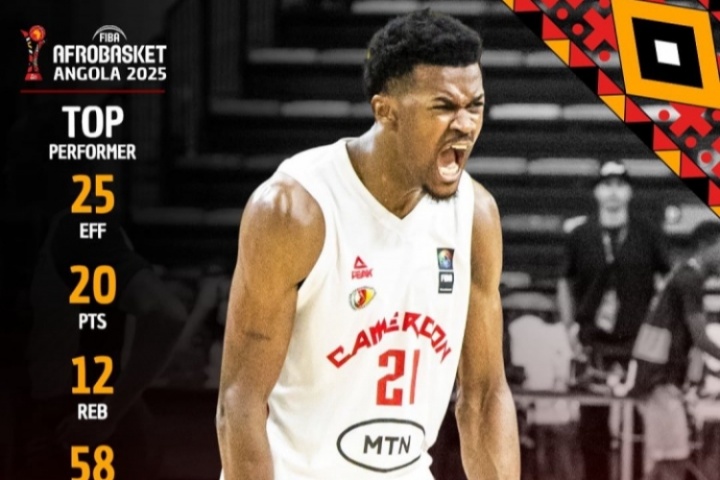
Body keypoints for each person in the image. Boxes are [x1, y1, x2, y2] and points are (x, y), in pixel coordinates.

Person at [216, 9, 520, 480]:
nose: (465, 124)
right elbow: (240, 402)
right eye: (443, 106)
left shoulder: (474, 216)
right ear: (385, 111)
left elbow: (483, 396)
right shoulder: (295, 210)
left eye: (475, 105)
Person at [556, 159, 671, 480]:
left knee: (638, 421)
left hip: (637, 339)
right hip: (592, 339)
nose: (613, 192)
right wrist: (569, 327)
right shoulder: (580, 235)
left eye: (620, 185)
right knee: (592, 423)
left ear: (630, 191)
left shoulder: (648, 233)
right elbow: (564, 281)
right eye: (606, 184)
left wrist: (658, 328)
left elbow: (666, 281)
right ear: (596, 192)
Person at [616, 221, 720, 479]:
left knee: (662, 464)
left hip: (655, 380)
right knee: (672, 463)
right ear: (705, 246)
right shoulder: (689, 279)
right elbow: (700, 338)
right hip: (660, 383)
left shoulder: (680, 275)